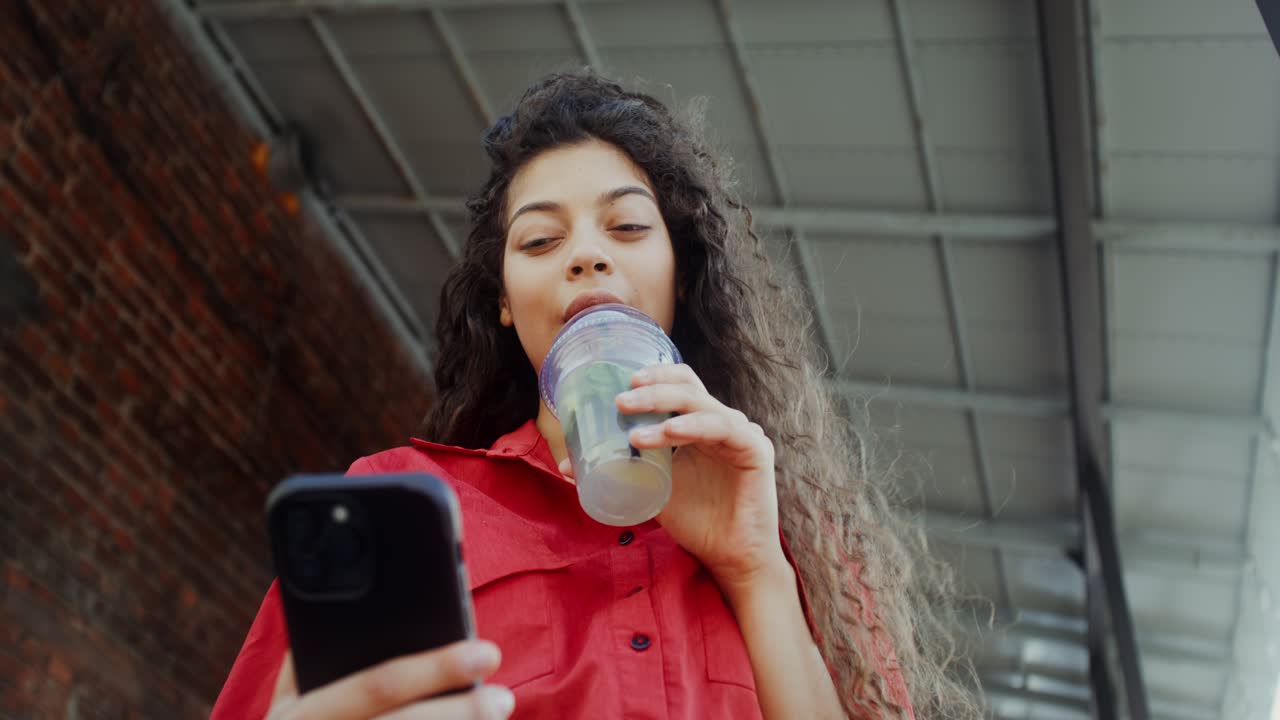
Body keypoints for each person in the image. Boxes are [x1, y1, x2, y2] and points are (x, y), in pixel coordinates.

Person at [211, 73, 977, 720]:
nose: (586, 255)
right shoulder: (399, 499)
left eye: (628, 226)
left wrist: (755, 570)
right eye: (540, 241)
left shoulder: (798, 546)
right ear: (503, 300)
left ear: (683, 275)